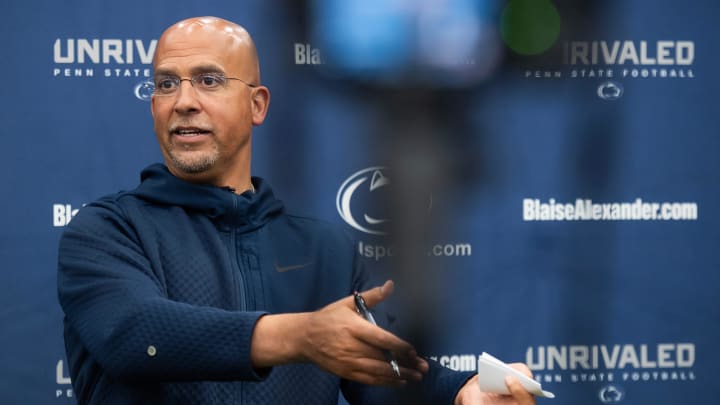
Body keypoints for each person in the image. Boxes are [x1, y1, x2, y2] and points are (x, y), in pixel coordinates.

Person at [57, 16, 536, 405]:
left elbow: (385, 371)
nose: (184, 102)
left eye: (208, 80)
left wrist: (465, 391)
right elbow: (135, 336)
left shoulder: (324, 249)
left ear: (258, 105)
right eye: (165, 85)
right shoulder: (106, 231)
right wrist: (303, 336)